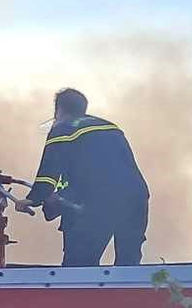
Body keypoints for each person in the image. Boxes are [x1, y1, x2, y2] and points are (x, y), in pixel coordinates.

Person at [24, 88, 151, 266]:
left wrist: (32, 199)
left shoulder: (63, 127)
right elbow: (107, 169)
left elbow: (48, 173)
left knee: (79, 269)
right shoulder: (111, 127)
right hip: (135, 200)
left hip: (96, 204)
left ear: (58, 110)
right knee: (128, 266)